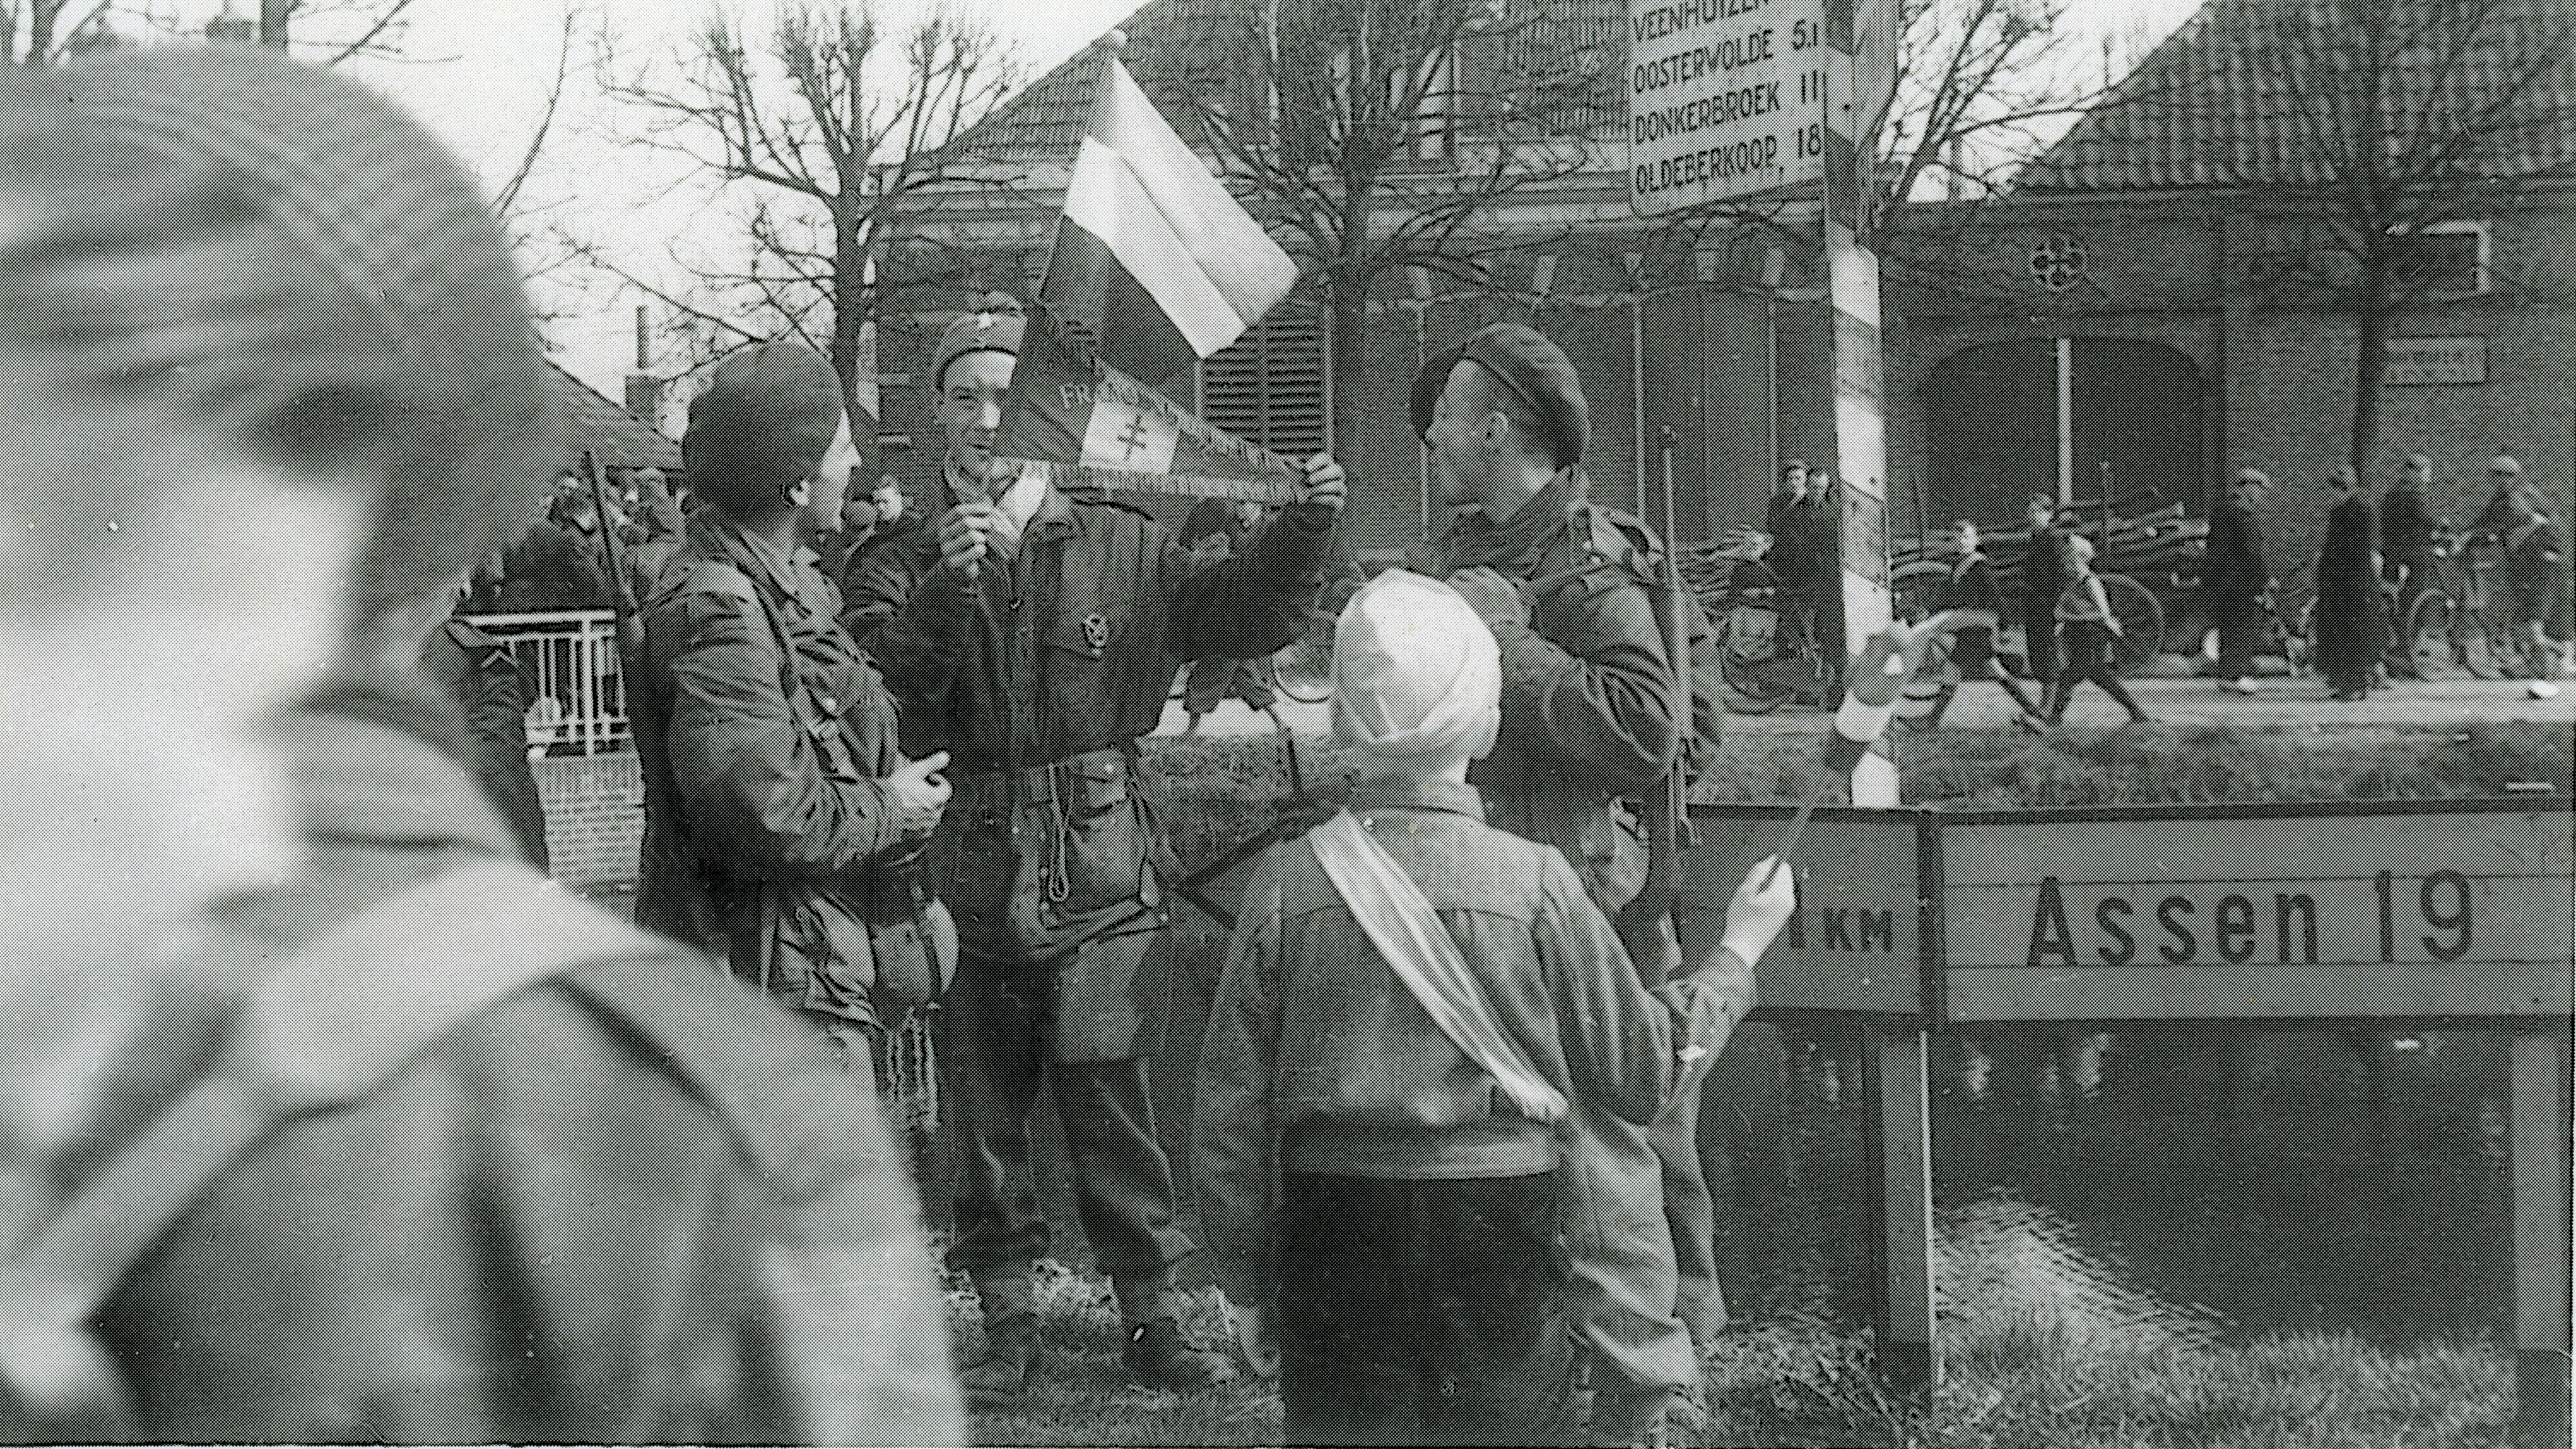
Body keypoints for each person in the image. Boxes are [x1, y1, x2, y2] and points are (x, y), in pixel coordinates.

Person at [0, 44, 961, 1444]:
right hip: (770, 971)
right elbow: (760, 801)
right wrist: (885, 810)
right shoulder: (713, 1123)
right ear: (446, 527)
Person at [846, 296, 1345, 1402]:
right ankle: (1008, 1319)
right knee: (983, 1113)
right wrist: (945, 589)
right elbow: (871, 699)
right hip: (963, 873)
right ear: (935, 413)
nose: (988, 418)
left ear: (1045, 410)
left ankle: (1153, 1317)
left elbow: (1236, 613)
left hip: (1105, 864)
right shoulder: (893, 559)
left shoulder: (1122, 539)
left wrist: (1301, 532)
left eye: (1006, 395)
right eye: (964, 398)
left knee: (1112, 1098)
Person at [1193, 570, 1794, 1448]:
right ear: (1485, 722)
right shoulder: (1537, 884)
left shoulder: (1285, 884)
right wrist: (1738, 950)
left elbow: (1228, 1123)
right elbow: (1642, 1072)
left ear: (1343, 722)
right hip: (1498, 1235)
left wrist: (1247, 1284)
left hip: (1333, 1237)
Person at [1406, 321, 1731, 1444]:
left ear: (1499, 429)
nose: (1431, 435)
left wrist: (1507, 643)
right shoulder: (1469, 548)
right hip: (1496, 887)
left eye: (1446, 416)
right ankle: (1562, 1359)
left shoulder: (1590, 568)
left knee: (1634, 1134)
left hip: (1595, 896)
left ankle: (1675, 1367)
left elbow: (1651, 730)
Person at [631, 342, 957, 1074]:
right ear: (797, 482)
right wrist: (891, 807)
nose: (855, 465)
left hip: (809, 966)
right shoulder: (722, 607)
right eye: (840, 449)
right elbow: (768, 813)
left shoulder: (784, 587)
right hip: (775, 990)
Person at [417, 603, 551, 870]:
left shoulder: (429, 647)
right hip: (492, 766)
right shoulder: (471, 642)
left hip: (471, 769)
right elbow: (521, 697)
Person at [1176, 498, 1284, 732]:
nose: (1242, 509)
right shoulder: (1229, 525)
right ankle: (1281, 723)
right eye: (1240, 504)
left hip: (1246, 610)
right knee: (1240, 673)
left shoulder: (1268, 527)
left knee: (1215, 670)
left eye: (1248, 504)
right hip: (1228, 608)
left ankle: (1192, 730)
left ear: (1259, 506)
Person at [1927, 520, 2045, 729]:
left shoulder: (1979, 566)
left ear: (1975, 541)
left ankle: (1932, 720)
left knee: (1962, 669)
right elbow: (1950, 597)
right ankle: (2036, 714)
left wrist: (2005, 624)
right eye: (1957, 538)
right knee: (1989, 671)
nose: (1961, 541)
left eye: (1966, 537)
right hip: (1968, 628)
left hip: (1977, 627)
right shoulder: (1959, 565)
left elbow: (1996, 597)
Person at [2041, 534, 2152, 725]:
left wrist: (2071, 617)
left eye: (2071, 559)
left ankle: (2054, 718)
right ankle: (2137, 713)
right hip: (2077, 634)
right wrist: (2065, 615)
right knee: (2098, 675)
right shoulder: (2072, 583)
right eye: (2066, 560)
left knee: (2073, 675)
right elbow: (2059, 609)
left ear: (2082, 559)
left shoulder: (2090, 582)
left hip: (2092, 634)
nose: (2067, 564)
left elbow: (2103, 613)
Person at [2314, 464, 2383, 702]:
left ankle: (2354, 684)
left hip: (2353, 580)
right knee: (2339, 631)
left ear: (2344, 488)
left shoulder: (2360, 511)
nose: (2331, 495)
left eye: (2334, 489)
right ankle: (2343, 681)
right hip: (2339, 579)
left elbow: (2362, 549)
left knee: (2352, 632)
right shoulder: (2340, 511)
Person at [2203, 467, 2273, 693]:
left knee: (2228, 626)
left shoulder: (2222, 509)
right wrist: (2265, 579)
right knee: (2244, 626)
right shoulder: (2244, 514)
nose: (2261, 497)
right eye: (2261, 491)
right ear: (2250, 488)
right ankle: (2238, 675)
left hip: (2221, 579)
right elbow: (2252, 552)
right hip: (2242, 580)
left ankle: (2226, 674)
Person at [2501, 484, 2572, 689]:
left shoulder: (2545, 527)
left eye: (2517, 503)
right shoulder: (2517, 528)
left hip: (2545, 585)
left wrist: (2547, 558)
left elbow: (2556, 557)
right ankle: (2547, 664)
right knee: (2531, 630)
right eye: (2512, 503)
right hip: (2529, 585)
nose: (2513, 507)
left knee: (2536, 630)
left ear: (2529, 503)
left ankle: (2555, 665)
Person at [2379, 454, 2441, 677]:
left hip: (2391, 554)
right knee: (2417, 598)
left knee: (2390, 599)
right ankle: (2406, 652)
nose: (2427, 476)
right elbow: (2427, 520)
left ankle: (2391, 650)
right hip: (2414, 554)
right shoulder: (2415, 493)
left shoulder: (2392, 493)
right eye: (2425, 471)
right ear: (2415, 472)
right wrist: (2442, 529)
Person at [2017, 492, 2069, 696]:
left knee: (2046, 653)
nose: (2032, 516)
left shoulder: (2052, 539)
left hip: (2047, 604)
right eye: (2030, 512)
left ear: (2049, 515)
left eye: (2037, 512)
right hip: (2033, 604)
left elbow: (2061, 575)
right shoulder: (2033, 538)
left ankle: (2048, 706)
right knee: (2036, 653)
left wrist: (2058, 608)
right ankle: (2048, 704)